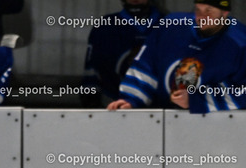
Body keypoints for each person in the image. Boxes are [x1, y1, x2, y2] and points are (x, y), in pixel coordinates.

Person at [107, 0, 246, 113]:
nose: (202, 17)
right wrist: (131, 99)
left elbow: (242, 91)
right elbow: (147, 65)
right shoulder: (171, 27)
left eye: (209, 11)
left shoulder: (241, 43)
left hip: (218, 126)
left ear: (225, 13)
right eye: (198, 10)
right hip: (162, 120)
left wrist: (196, 100)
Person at [82, 0, 164, 107]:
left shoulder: (168, 25)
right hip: (112, 104)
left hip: (159, 107)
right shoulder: (105, 27)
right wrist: (91, 97)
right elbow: (92, 70)